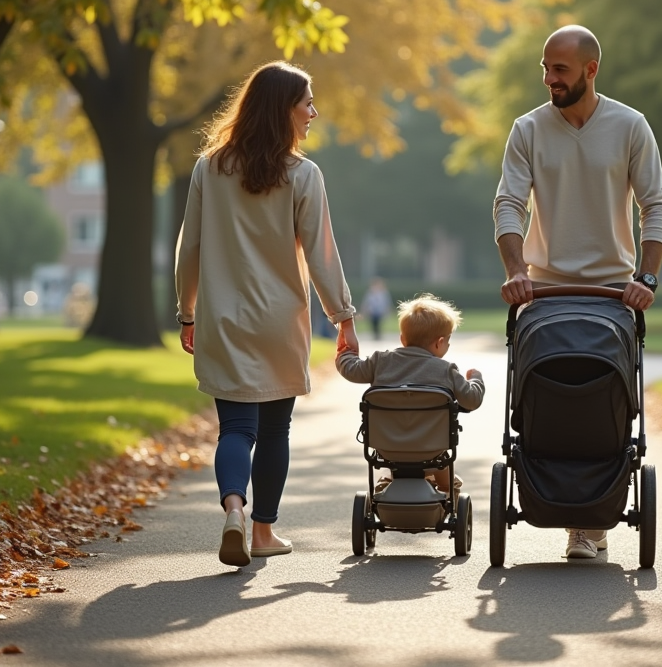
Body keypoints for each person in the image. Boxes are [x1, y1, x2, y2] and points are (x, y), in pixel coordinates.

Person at [493, 25, 662, 560]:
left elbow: (656, 205)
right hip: (544, 291)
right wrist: (515, 269)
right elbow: (508, 203)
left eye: (561, 70)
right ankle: (560, 499)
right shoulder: (527, 129)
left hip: (612, 294)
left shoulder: (630, 126)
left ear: (591, 70)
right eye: (545, 68)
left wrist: (645, 277)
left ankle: (589, 516)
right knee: (546, 400)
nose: (550, 79)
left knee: (603, 401)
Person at [176, 61, 358, 568]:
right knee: (275, 431)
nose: (314, 113)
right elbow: (323, 253)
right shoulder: (302, 174)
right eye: (307, 103)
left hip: (224, 319)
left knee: (236, 427)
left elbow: (188, 246)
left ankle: (233, 508)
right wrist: (342, 317)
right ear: (284, 109)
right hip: (280, 322)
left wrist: (186, 311)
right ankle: (262, 534)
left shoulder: (208, 168)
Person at [335, 293, 484, 495]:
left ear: (402, 339)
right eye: (448, 342)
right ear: (440, 342)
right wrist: (476, 378)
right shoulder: (446, 371)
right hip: (432, 448)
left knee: (401, 449)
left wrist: (345, 352)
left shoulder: (380, 361)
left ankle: (388, 480)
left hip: (386, 447)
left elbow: (351, 369)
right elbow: (472, 399)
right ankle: (449, 491)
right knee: (440, 459)